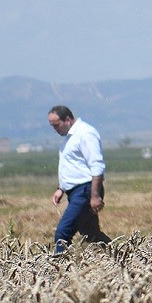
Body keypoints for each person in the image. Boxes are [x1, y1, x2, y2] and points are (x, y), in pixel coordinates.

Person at [47, 104, 109, 253]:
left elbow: (97, 165)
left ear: (67, 119)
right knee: (90, 234)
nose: (55, 130)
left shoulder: (85, 133)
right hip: (75, 191)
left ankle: (59, 270)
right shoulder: (69, 138)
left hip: (85, 190)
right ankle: (127, 257)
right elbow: (74, 167)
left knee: (63, 233)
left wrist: (94, 196)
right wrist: (61, 188)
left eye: (56, 125)